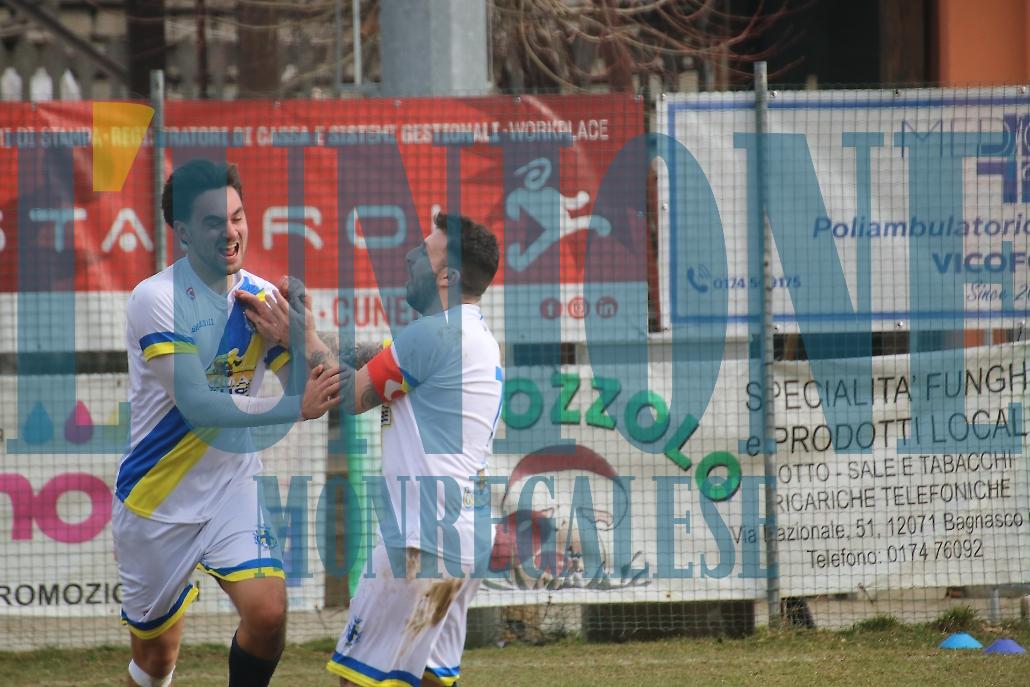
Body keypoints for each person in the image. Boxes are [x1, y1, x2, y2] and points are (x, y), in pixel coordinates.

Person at [112, 159, 342, 687]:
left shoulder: (259, 299)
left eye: (237, 217)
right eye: (214, 222)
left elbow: (309, 385)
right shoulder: (156, 299)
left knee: (268, 613)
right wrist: (296, 406)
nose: (231, 232)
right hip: (156, 503)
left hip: (232, 490)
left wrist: (300, 335)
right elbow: (200, 407)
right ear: (184, 232)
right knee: (155, 662)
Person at [307, 212, 502, 687]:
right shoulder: (473, 335)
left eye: (423, 251)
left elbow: (350, 396)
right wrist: (303, 329)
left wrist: (300, 336)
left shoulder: (433, 334)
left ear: (447, 276)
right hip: (466, 539)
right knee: (430, 678)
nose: (409, 257)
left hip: (420, 539)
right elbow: (367, 356)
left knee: (357, 679)